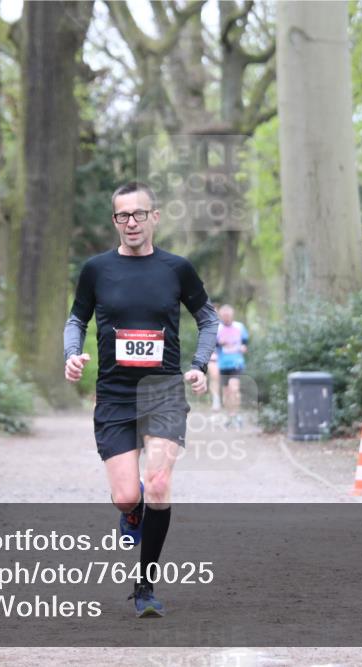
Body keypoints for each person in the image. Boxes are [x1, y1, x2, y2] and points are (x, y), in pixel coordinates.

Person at [63, 181, 218, 617]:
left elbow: (207, 319)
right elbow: (75, 320)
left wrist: (199, 364)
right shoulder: (96, 269)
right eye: (122, 216)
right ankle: (132, 514)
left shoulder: (176, 269)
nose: (131, 222)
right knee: (127, 496)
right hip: (113, 394)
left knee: (161, 484)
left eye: (138, 214)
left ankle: (145, 587)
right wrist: (72, 355)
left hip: (163, 392)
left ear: (155, 217)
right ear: (114, 221)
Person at [215, 304, 249, 426]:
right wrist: (219, 343)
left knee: (234, 388)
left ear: (232, 315)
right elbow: (212, 345)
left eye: (228, 315)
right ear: (220, 316)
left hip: (236, 362)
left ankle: (236, 414)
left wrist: (244, 347)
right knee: (226, 393)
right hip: (223, 364)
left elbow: (245, 341)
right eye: (224, 316)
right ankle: (230, 415)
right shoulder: (217, 328)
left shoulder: (239, 327)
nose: (226, 318)